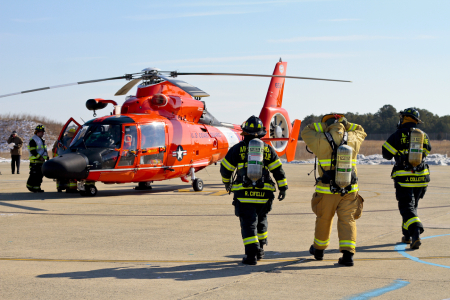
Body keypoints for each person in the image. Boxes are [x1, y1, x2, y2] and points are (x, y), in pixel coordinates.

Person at [220, 115, 288, 265]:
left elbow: (225, 169)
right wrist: (283, 187)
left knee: (248, 224)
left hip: (244, 195)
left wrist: (227, 183)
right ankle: (260, 250)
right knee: (261, 221)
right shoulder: (268, 149)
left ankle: (251, 256)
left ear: (244, 133)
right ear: (262, 133)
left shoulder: (238, 149)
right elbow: (278, 170)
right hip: (264, 195)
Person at [301, 114, 366, 266]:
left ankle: (319, 250)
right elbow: (360, 129)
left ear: (326, 125)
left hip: (327, 190)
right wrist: (344, 124)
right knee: (347, 220)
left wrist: (325, 125)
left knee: (324, 219)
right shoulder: (353, 138)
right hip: (349, 190)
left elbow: (306, 131)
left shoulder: (319, 139)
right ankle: (348, 255)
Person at [382, 108, 431, 250]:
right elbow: (427, 151)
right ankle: (407, 235)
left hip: (404, 178)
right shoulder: (424, 135)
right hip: (422, 178)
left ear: (405, 119)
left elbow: (386, 154)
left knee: (406, 207)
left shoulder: (398, 135)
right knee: (412, 206)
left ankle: (415, 232)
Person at [26, 125, 49, 193]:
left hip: (41, 162)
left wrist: (46, 157)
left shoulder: (41, 140)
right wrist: (39, 157)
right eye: (42, 132)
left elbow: (43, 150)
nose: (43, 133)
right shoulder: (33, 140)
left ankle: (37, 188)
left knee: (40, 176)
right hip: (35, 161)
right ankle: (30, 186)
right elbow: (32, 151)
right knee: (34, 175)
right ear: (38, 132)